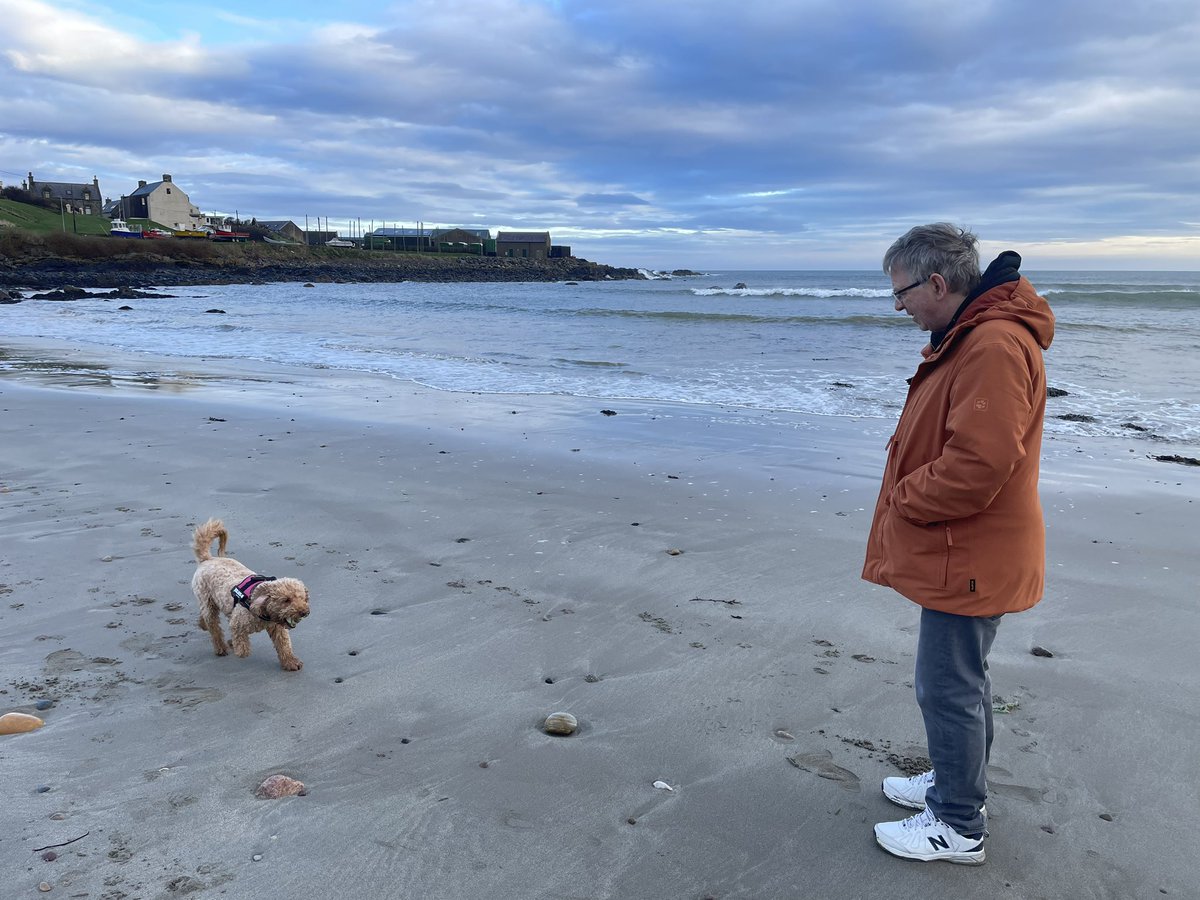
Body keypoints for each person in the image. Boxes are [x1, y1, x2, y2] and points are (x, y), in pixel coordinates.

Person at [862, 223, 1055, 865]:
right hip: (967, 548)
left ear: (938, 284)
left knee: (947, 686)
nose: (898, 305)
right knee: (959, 681)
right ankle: (953, 785)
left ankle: (957, 825)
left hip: (969, 552)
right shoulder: (974, 336)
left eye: (902, 292)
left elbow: (978, 465)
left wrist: (903, 499)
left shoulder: (992, 345)